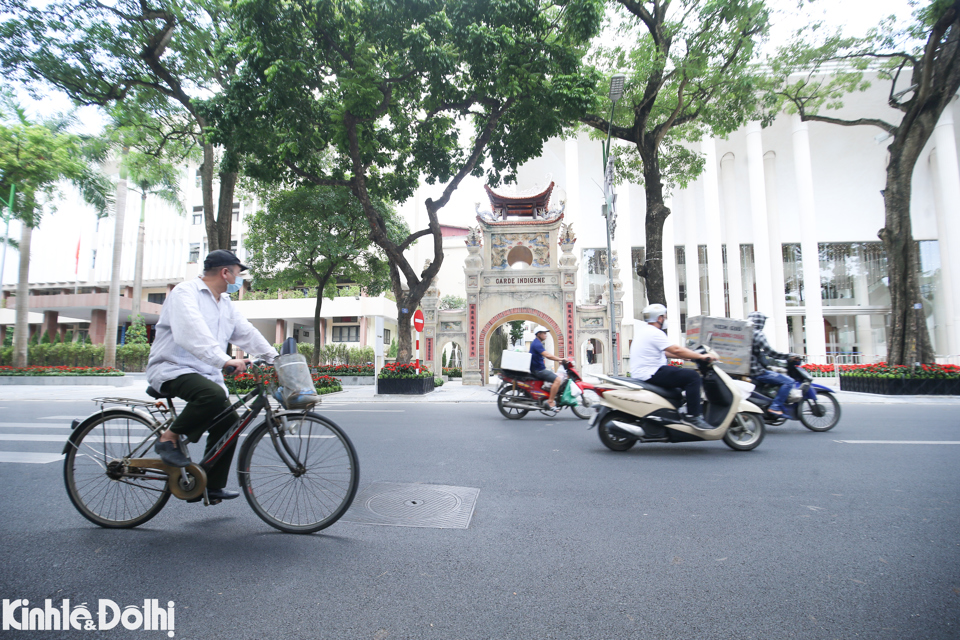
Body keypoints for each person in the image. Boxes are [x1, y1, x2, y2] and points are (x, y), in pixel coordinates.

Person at [147, 250, 279, 503]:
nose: (240, 278)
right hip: (172, 368)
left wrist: (275, 358)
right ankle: (169, 439)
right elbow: (191, 332)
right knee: (212, 394)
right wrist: (225, 360)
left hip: (205, 373)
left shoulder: (226, 303)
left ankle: (210, 484)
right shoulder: (185, 293)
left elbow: (247, 333)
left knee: (230, 421)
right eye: (238, 272)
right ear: (225, 272)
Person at [629, 304, 715, 431]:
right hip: (651, 372)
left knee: (678, 387)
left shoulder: (644, 331)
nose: (665, 320)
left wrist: (687, 357)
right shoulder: (655, 333)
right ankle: (693, 416)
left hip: (645, 371)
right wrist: (701, 357)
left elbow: (665, 351)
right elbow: (676, 349)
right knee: (693, 377)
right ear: (659, 318)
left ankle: (675, 416)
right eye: (665, 317)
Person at [747, 311, 793, 416]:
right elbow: (771, 352)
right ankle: (775, 406)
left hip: (746, 370)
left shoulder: (745, 332)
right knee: (789, 382)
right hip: (756, 372)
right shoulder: (758, 334)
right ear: (761, 322)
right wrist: (788, 356)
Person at [529, 326, 565, 409]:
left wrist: (559, 360)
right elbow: (547, 355)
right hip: (539, 370)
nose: (546, 335)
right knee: (558, 379)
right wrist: (560, 359)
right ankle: (550, 401)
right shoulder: (537, 344)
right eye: (544, 333)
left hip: (539, 369)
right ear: (539, 334)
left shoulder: (537, 343)